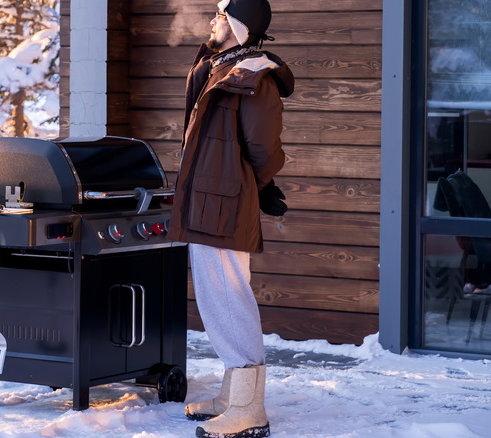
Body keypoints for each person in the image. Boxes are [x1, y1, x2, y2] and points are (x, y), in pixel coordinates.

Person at [166, 1, 294, 437]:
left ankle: (249, 409)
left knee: (229, 297)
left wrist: (256, 186)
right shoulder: (221, 67)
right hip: (207, 201)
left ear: (239, 26)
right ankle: (232, 396)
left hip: (224, 203)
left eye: (221, 16)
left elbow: (263, 149)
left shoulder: (253, 76)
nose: (212, 21)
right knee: (215, 298)